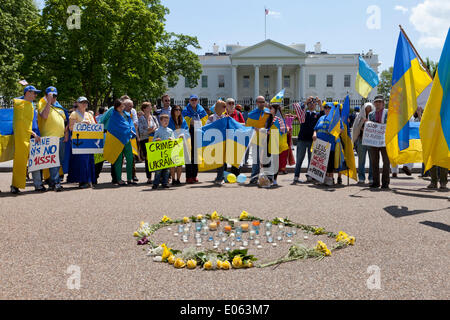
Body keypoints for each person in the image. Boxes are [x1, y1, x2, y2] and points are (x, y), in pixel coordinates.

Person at [10, 86, 42, 194]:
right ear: (28, 93)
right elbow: (21, 125)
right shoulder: (20, 105)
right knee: (20, 161)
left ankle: (38, 185)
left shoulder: (31, 104)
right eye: (34, 93)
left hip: (33, 134)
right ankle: (15, 185)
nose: (36, 95)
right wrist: (34, 134)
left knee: (36, 160)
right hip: (24, 136)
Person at [37, 86, 69, 192]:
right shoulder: (43, 105)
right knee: (53, 162)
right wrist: (49, 101)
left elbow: (65, 122)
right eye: (51, 95)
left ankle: (53, 181)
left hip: (60, 137)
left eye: (55, 95)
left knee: (59, 160)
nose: (54, 98)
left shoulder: (59, 108)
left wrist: (66, 133)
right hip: (50, 138)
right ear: (46, 96)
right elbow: (44, 116)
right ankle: (55, 182)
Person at [67, 97, 96, 188]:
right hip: (78, 142)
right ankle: (82, 181)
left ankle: (89, 180)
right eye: (82, 102)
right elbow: (71, 127)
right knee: (81, 161)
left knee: (89, 160)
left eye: (85, 102)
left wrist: (90, 124)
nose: (84, 104)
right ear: (78, 103)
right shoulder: (74, 114)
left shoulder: (89, 114)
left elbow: (95, 126)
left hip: (88, 142)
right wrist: (82, 123)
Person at [106, 99, 137, 186]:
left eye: (123, 106)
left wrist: (132, 130)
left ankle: (129, 179)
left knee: (130, 159)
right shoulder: (113, 116)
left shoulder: (127, 114)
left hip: (127, 139)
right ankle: (119, 179)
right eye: (120, 106)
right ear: (116, 107)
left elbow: (130, 125)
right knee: (118, 160)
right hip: (117, 140)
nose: (122, 107)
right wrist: (127, 128)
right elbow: (112, 128)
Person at [293, 97, 322, 184]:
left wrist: (320, 103)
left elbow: (324, 114)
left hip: (312, 140)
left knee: (311, 159)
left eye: (313, 103)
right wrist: (305, 102)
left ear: (315, 105)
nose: (312, 105)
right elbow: (298, 109)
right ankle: (296, 176)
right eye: (310, 103)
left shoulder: (317, 115)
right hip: (302, 139)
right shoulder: (303, 113)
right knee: (299, 159)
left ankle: (310, 176)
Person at [182, 95, 208, 184]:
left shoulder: (201, 110)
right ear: (189, 101)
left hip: (198, 133)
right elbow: (184, 122)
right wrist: (193, 122)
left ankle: (194, 175)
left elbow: (205, 121)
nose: (193, 101)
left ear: (198, 101)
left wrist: (194, 122)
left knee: (196, 155)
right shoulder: (185, 110)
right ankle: (188, 176)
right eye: (192, 100)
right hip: (189, 133)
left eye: (195, 100)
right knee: (189, 156)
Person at [261, 104, 288, 188]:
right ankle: (268, 178)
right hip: (267, 141)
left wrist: (268, 131)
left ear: (275, 109)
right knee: (267, 160)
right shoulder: (269, 118)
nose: (269, 109)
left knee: (275, 161)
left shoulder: (279, 119)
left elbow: (282, 130)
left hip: (275, 141)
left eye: (271, 108)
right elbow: (266, 129)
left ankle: (274, 179)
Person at [246, 96, 270, 185]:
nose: (262, 103)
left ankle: (267, 177)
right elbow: (247, 126)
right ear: (256, 102)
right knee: (256, 160)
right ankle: (254, 177)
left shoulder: (268, 112)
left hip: (267, 139)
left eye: (263, 101)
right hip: (256, 139)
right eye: (260, 102)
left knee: (267, 159)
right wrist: (253, 127)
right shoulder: (251, 114)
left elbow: (272, 124)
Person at [312, 102, 338, 186]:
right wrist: (314, 134)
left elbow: (341, 129)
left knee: (330, 162)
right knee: (320, 162)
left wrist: (333, 131)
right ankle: (321, 178)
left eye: (328, 108)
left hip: (330, 144)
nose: (326, 109)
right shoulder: (321, 118)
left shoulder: (335, 118)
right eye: (325, 108)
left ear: (332, 109)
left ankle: (330, 179)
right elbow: (315, 128)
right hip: (320, 145)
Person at [368, 95, 390, 190]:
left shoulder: (388, 112)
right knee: (374, 162)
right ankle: (376, 182)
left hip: (385, 141)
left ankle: (385, 183)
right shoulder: (371, 114)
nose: (378, 103)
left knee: (386, 162)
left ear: (383, 103)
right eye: (376, 102)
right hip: (374, 141)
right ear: (374, 103)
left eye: (380, 102)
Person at [352, 102, 374, 185]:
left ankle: (371, 178)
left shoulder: (374, 117)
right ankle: (361, 177)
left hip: (371, 141)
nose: (368, 111)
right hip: (361, 141)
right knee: (361, 161)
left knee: (372, 161)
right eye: (366, 109)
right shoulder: (359, 117)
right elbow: (355, 128)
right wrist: (361, 126)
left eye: (369, 109)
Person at [207, 100, 227, 185]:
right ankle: (220, 177)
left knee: (223, 160)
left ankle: (221, 176)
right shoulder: (211, 117)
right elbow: (206, 127)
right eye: (224, 107)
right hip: (215, 141)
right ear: (219, 107)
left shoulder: (225, 117)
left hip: (224, 140)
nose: (225, 108)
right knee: (219, 160)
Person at [138, 102, 159, 184]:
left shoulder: (154, 117)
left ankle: (157, 176)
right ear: (144, 108)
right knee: (148, 159)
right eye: (149, 107)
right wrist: (151, 130)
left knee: (155, 158)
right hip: (145, 140)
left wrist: (150, 130)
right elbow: (142, 131)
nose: (151, 108)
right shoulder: (141, 118)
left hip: (154, 139)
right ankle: (149, 177)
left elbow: (157, 128)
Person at [152, 114, 175, 189]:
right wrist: (157, 140)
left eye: (167, 120)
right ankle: (156, 183)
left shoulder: (170, 130)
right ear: (160, 121)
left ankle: (165, 183)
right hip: (159, 152)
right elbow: (153, 141)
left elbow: (173, 140)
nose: (166, 122)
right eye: (164, 120)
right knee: (158, 169)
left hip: (167, 152)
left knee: (167, 169)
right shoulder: (157, 130)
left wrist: (172, 139)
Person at [169, 105, 189, 186]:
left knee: (180, 163)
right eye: (176, 109)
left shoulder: (183, 120)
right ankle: (173, 179)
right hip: (172, 143)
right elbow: (169, 130)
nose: (178, 111)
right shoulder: (170, 120)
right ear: (173, 111)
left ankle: (178, 179)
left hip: (181, 143)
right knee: (173, 163)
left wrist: (183, 134)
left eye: (179, 110)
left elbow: (186, 130)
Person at [224, 98, 245, 177]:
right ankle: (223, 175)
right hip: (225, 138)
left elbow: (244, 124)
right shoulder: (223, 113)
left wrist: (234, 123)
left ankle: (235, 175)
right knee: (224, 158)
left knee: (236, 157)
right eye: (229, 103)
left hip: (236, 138)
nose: (231, 104)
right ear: (226, 104)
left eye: (233, 103)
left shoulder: (238, 113)